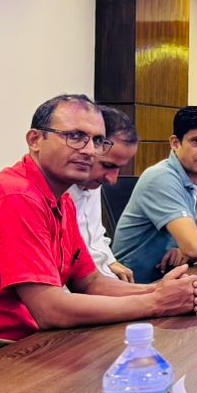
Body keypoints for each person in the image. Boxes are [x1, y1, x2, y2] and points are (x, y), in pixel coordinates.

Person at [0, 95, 197, 357]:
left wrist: (156, 291)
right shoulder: (15, 197)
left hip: (25, 344)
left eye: (97, 140)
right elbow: (50, 310)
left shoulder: (61, 198)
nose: (89, 150)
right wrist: (156, 303)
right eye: (75, 137)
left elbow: (90, 282)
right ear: (35, 140)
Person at [111, 106, 197, 283]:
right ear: (175, 143)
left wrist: (192, 250)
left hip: (174, 280)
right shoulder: (161, 177)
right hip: (135, 286)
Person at [69, 105, 139, 281]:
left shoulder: (92, 181)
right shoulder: (49, 192)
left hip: (99, 282)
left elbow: (94, 235)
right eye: (108, 165)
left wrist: (109, 260)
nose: (112, 179)